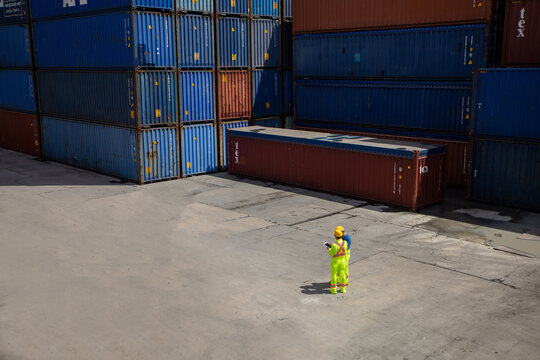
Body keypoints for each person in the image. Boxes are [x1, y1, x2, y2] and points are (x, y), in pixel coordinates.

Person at [326, 229, 348, 294]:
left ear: (335, 236)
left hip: (336, 262)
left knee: (334, 275)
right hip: (343, 261)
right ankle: (343, 289)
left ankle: (333, 290)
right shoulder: (345, 243)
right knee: (342, 274)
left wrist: (329, 249)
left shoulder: (334, 245)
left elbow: (332, 254)